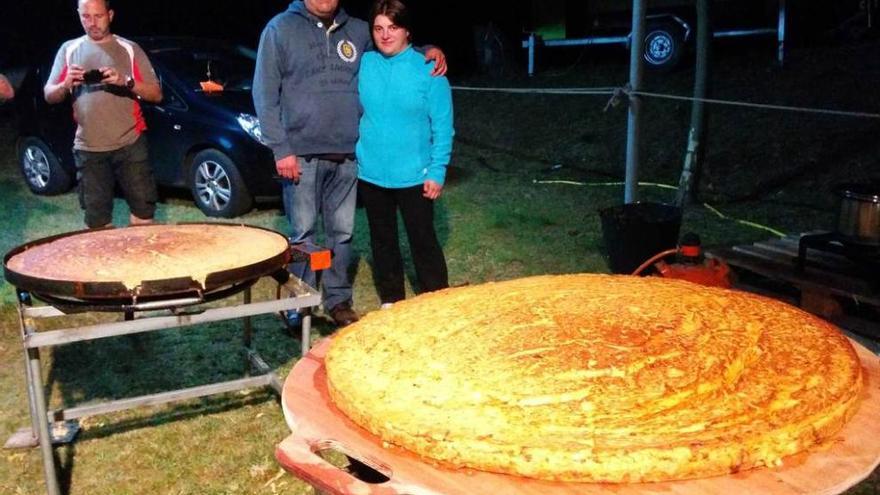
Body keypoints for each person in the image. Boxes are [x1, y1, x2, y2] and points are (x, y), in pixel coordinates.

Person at [252, 0, 446, 329]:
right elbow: (264, 92)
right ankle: (298, 306)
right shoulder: (280, 29)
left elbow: (395, 46)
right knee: (303, 236)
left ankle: (338, 300)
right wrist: (280, 148)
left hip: (347, 156)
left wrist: (430, 48)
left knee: (342, 234)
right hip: (300, 155)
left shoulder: (356, 30)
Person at [356, 0, 454, 308]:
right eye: (378, 28)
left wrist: (437, 170)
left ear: (407, 31)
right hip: (372, 173)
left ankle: (436, 298)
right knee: (382, 241)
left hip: (415, 175)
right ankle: (391, 299)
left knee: (422, 240)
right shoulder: (365, 64)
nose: (385, 35)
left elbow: (443, 126)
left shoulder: (429, 69)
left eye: (393, 28)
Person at [44, 0, 162, 228]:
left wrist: (125, 81)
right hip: (88, 147)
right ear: (78, 15)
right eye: (85, 16)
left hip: (130, 143)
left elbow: (156, 94)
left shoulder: (129, 49)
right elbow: (49, 94)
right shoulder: (69, 50)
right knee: (97, 224)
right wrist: (66, 83)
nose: (92, 23)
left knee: (143, 217)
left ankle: (144, 261)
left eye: (98, 16)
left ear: (110, 14)